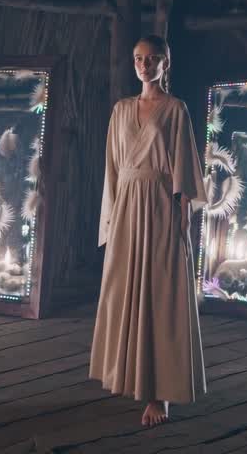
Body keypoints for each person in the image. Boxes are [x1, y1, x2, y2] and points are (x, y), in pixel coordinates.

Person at [89, 34, 207, 426]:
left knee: (161, 294)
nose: (144, 64)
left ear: (165, 63)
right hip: (126, 207)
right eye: (139, 58)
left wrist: (181, 218)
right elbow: (111, 168)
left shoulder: (176, 110)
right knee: (123, 291)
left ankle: (161, 395)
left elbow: (185, 171)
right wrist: (111, 215)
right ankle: (127, 378)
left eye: (153, 58)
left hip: (160, 207)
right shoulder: (121, 110)